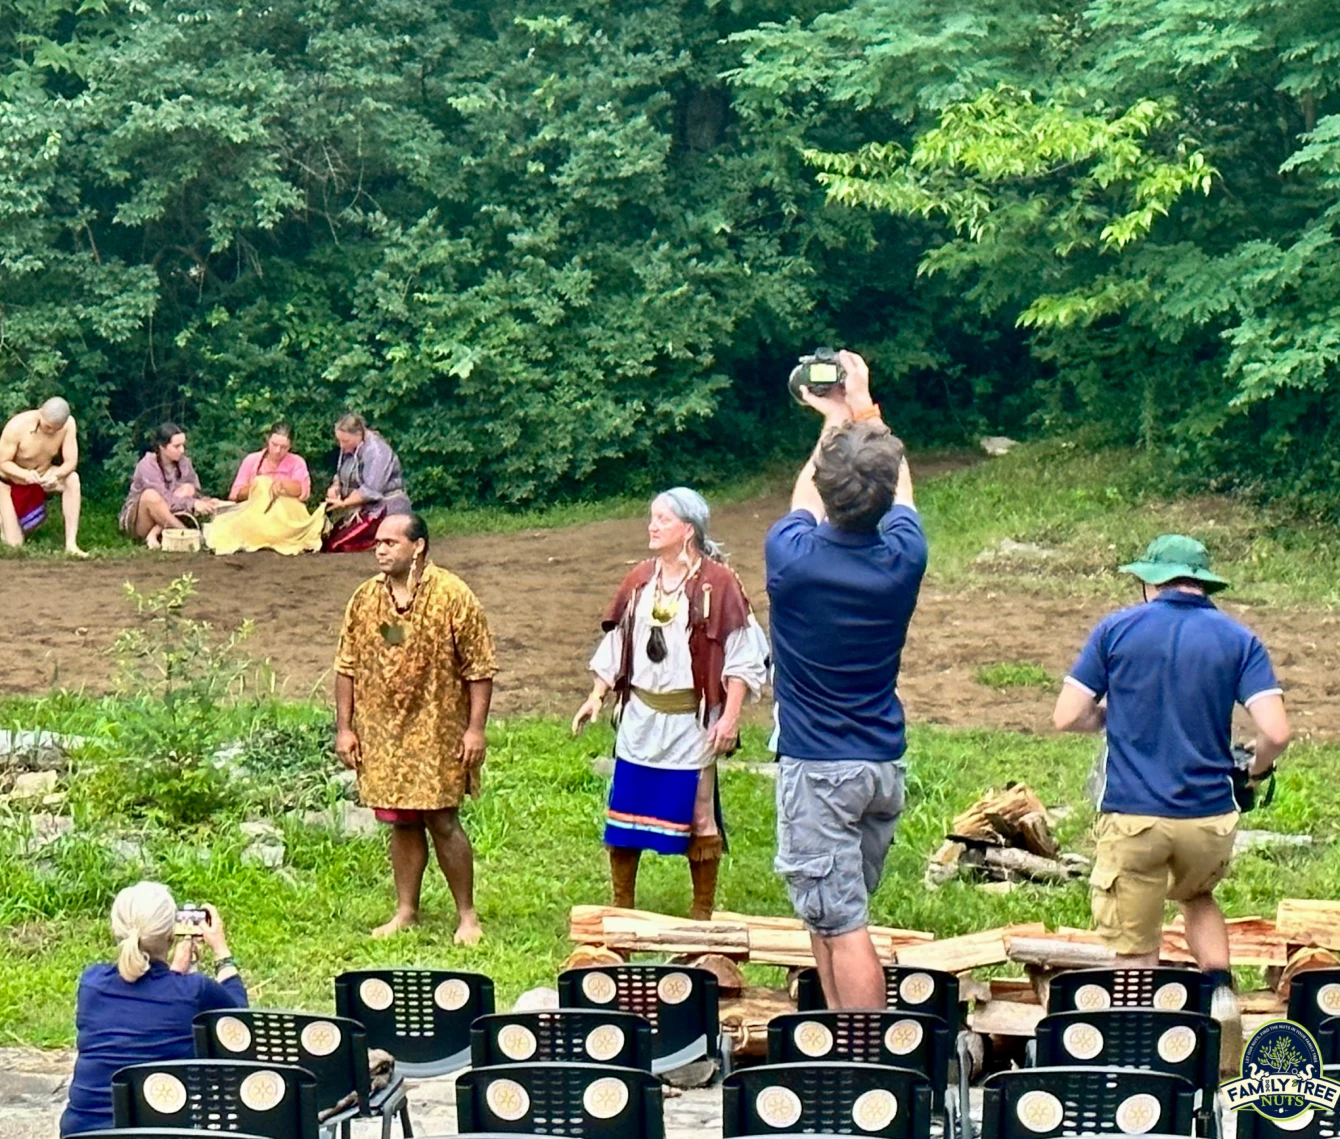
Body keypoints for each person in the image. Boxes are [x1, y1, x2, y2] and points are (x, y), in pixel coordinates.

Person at [1053, 533, 1290, 1065]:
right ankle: (1223, 998)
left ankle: (1141, 1054)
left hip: (1133, 818)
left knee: (1135, 947)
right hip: (1208, 819)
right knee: (1197, 898)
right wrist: (1255, 772)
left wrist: (1109, 718)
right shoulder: (1238, 639)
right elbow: (1275, 731)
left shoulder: (1115, 629)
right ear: (1203, 583)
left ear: (1149, 582)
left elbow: (1067, 715)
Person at [765, 350, 926, 1010]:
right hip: (878, 763)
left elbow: (808, 493)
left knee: (843, 921)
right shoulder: (902, 558)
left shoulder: (793, 559)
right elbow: (895, 483)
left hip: (820, 770)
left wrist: (830, 420)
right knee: (829, 911)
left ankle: (869, 1067)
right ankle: (840, 1035)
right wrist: (862, 408)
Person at [572, 488, 769, 920]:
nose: (652, 525)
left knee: (699, 815)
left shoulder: (720, 584)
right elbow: (618, 642)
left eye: (662, 519)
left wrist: (730, 718)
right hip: (640, 719)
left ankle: (701, 914)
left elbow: (743, 656)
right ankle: (622, 907)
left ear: (688, 530)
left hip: (692, 722)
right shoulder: (640, 580)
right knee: (624, 812)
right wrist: (596, 695)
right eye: (652, 517)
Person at [335, 513, 497, 941]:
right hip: (383, 732)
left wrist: (475, 730)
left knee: (442, 819)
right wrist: (345, 728)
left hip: (438, 726)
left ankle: (467, 915)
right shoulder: (366, 599)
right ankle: (406, 909)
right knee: (401, 820)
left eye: (391, 542)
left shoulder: (452, 595)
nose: (381, 549)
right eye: (378, 543)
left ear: (418, 546)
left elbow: (480, 668)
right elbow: (346, 665)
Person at [60, 882, 246, 1136]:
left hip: (83, 1133)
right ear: (171, 935)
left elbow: (145, 1004)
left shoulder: (91, 983)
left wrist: (175, 972)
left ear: (117, 930)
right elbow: (240, 1024)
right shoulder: (193, 992)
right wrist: (222, 952)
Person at [203, 423, 325, 555]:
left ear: (290, 447)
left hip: (286, 517)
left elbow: (303, 491)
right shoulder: (252, 460)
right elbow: (235, 495)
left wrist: (284, 485)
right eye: (274, 445)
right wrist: (260, 487)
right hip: (257, 514)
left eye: (283, 447)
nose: (278, 451)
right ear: (268, 440)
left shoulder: (297, 462)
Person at [0, 397, 87, 557]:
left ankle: (71, 544)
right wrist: (24, 474)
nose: (51, 432)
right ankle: (4, 523)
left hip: (42, 475)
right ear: (40, 413)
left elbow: (70, 462)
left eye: (56, 429)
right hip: (10, 480)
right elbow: (3, 462)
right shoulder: (17, 426)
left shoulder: (68, 425)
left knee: (72, 479)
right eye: (47, 427)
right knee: (14, 545)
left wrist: (56, 475)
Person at [119, 422, 222, 549]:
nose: (182, 450)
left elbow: (195, 492)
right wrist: (193, 504)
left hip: (169, 514)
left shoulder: (184, 462)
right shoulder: (147, 465)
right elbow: (165, 500)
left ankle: (156, 533)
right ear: (162, 447)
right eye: (176, 446)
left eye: (183, 445)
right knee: (150, 496)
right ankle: (190, 536)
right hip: (142, 519)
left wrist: (204, 501)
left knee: (189, 489)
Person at [324, 413, 411, 552]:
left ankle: (382, 540)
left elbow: (371, 490)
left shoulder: (377, 452)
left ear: (359, 434)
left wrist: (344, 504)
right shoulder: (349, 446)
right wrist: (335, 488)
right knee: (329, 539)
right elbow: (341, 474)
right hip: (362, 508)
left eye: (345, 441)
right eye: (339, 441)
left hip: (384, 508)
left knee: (338, 545)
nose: (341, 445)